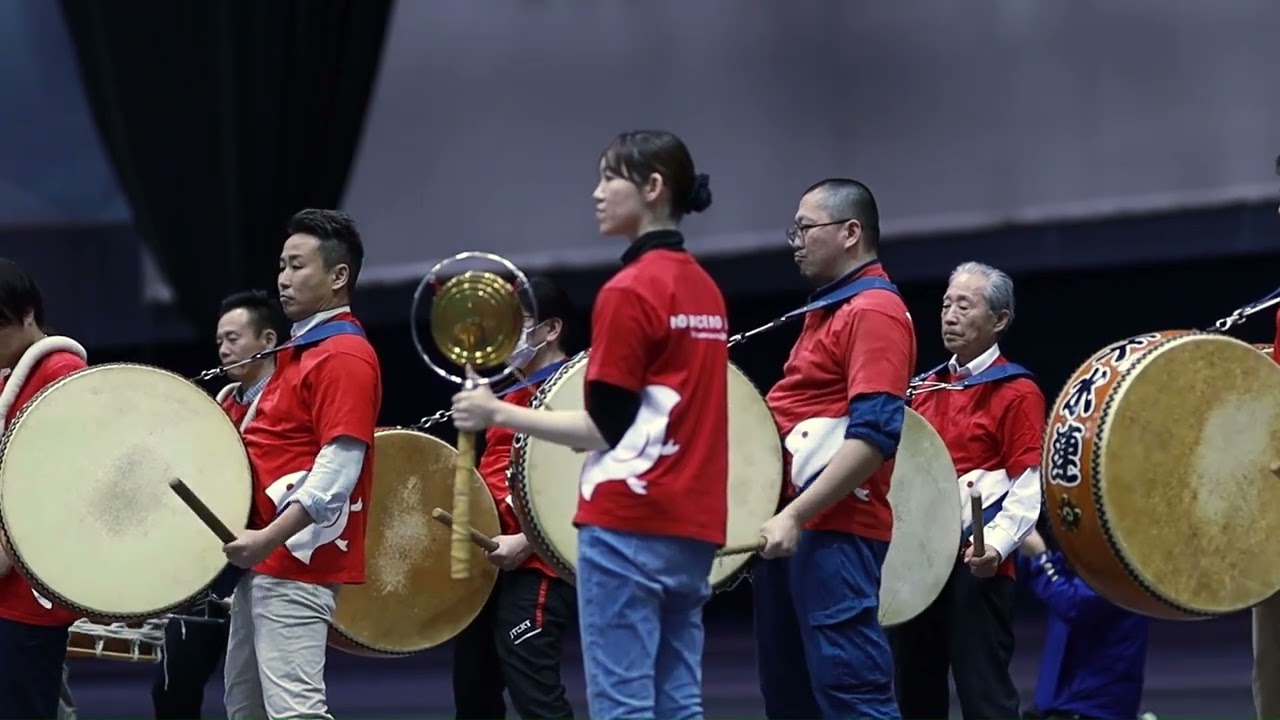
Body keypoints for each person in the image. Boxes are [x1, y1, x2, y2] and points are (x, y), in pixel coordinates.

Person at [452, 129, 726, 720]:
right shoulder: (705, 288)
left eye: (609, 178)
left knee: (622, 704)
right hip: (693, 525)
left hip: (626, 523)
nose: (596, 193)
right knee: (678, 700)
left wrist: (493, 412)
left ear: (653, 188)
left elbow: (605, 428)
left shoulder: (628, 290)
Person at [751, 178, 915, 719]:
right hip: (797, 535)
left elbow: (874, 436)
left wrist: (795, 514)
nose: (794, 240)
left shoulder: (872, 312)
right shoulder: (829, 310)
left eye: (805, 228)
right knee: (792, 701)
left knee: (852, 700)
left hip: (833, 535)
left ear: (851, 232)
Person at [221, 209, 383, 720]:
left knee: (296, 713)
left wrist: (268, 538)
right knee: (246, 709)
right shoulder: (300, 352)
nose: (283, 279)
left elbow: (337, 472)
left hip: (295, 559)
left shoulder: (343, 355)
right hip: (264, 560)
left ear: (338, 277)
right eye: (282, 267)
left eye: (297, 266)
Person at [890, 261, 1045, 719]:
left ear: (999, 320)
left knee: (986, 699)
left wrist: (994, 548)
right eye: (945, 304)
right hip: (917, 567)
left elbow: (1026, 488)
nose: (950, 315)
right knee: (915, 697)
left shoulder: (1016, 390)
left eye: (965, 305)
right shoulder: (923, 388)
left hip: (975, 567)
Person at [152, 289, 284, 719]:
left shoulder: (286, 402)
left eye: (234, 338)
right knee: (175, 686)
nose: (225, 349)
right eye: (220, 342)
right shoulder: (223, 401)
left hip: (266, 557)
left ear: (267, 340)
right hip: (213, 567)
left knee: (269, 694)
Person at [452, 277, 578, 720]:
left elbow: (579, 483)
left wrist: (526, 541)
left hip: (540, 563)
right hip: (492, 563)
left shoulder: (574, 388)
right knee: (473, 693)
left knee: (535, 695)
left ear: (550, 329)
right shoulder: (505, 393)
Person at [0, 259, 89, 719]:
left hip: (26, 593)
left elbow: (59, 485)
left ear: (28, 314)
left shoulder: (61, 371)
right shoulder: (7, 377)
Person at [1017, 526, 1150, 720]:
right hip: (1066, 702)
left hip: (1095, 707)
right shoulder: (1095, 553)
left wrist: (1040, 556)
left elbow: (1072, 604)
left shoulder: (1124, 562)